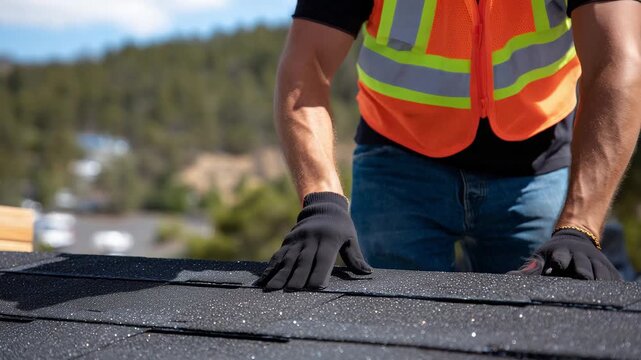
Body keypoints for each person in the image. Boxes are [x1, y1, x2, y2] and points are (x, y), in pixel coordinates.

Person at [255, 0, 641, 291]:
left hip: (536, 167)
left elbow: (617, 62)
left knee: (545, 321)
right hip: (397, 169)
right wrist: (322, 198)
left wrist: (581, 226)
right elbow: (306, 66)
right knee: (387, 327)